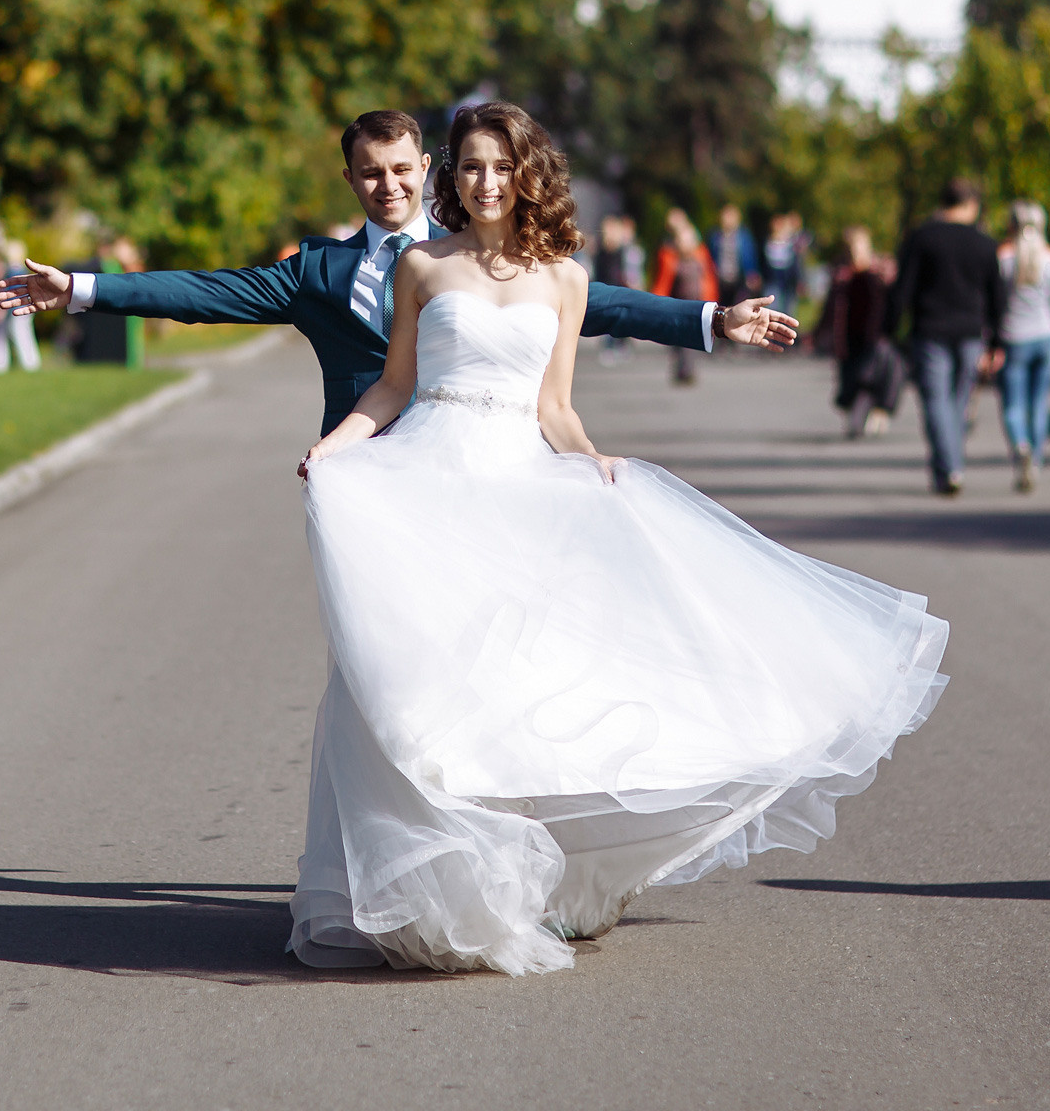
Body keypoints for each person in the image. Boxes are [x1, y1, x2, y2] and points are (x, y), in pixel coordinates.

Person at [289, 101, 949, 974]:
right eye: (470, 167)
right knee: (419, 687)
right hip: (432, 480)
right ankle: (432, 884)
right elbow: (392, 387)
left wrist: (593, 464)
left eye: (499, 166)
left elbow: (555, 405)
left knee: (520, 685)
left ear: (527, 173)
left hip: (519, 488)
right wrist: (332, 450)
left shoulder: (561, 277)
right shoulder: (422, 264)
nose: (484, 182)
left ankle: (529, 879)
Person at [0, 110, 799, 434]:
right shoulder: (316, 271)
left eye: (401, 169)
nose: (389, 186)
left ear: (425, 167)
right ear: (351, 179)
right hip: (365, 476)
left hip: (473, 459)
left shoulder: (476, 252)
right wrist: (84, 288)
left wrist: (708, 318)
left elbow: (595, 301)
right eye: (370, 173)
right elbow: (207, 293)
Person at [889, 179, 1007, 497]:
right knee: (959, 401)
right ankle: (952, 464)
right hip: (971, 333)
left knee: (936, 402)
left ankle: (949, 467)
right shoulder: (984, 243)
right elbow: (998, 297)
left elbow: (903, 289)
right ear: (971, 204)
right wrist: (998, 342)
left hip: (930, 331)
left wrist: (891, 329)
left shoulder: (922, 238)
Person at [997, 201, 1050, 492]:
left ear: (1010, 226)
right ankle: (1035, 460)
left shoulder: (1003, 260)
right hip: (1046, 341)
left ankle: (1020, 445)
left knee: (1013, 405)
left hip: (1013, 340)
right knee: (1039, 404)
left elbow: (994, 307)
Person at [822, 227, 900, 437]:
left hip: (872, 336)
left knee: (866, 377)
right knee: (848, 378)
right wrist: (820, 331)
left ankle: (868, 415)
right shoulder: (841, 275)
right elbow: (830, 306)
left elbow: (893, 302)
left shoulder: (879, 273)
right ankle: (854, 415)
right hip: (846, 336)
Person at [650, 208, 720, 386]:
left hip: (697, 302)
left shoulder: (700, 256)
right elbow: (663, 280)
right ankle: (682, 367)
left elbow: (709, 278)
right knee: (677, 338)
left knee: (691, 339)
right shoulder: (669, 256)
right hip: (678, 302)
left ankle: (688, 369)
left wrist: (711, 299)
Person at [588, 213, 645, 365]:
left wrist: (634, 283)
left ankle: (621, 344)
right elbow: (594, 269)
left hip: (620, 286)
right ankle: (609, 346)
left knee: (621, 316)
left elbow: (631, 269)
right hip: (605, 285)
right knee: (606, 316)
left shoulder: (625, 249)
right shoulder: (599, 249)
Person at [0, 241, 42, 373]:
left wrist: (1, 309)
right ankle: (29, 363)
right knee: (22, 335)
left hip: (18, 309)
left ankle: (28, 363)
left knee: (20, 335)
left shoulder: (13, 270)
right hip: (23, 307)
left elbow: (11, 292)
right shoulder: (19, 269)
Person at [760, 210, 806, 316]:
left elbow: (797, 264)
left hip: (788, 281)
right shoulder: (766, 242)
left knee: (788, 310)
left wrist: (800, 280)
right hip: (772, 280)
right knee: (772, 308)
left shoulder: (792, 243)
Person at [708, 204, 759, 300]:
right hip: (720, 278)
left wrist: (751, 274)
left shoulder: (744, 236)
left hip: (738, 278)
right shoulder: (715, 236)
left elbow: (750, 256)